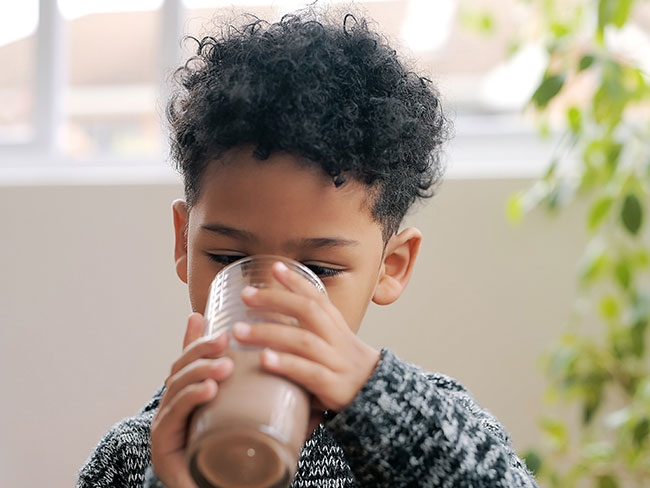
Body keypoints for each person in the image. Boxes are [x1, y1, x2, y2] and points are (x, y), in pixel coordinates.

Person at [78, 7, 538, 488]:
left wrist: (377, 399)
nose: (269, 300)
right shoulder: (135, 457)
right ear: (183, 241)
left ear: (391, 266)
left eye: (317, 268)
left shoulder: (429, 432)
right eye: (230, 260)